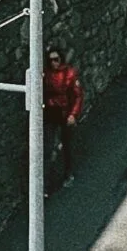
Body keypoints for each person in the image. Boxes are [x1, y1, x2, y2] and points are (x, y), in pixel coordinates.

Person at [43, 45, 83, 189]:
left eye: (57, 59)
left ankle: (67, 173)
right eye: (51, 60)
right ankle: (47, 183)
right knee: (47, 148)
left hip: (64, 113)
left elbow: (77, 96)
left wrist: (73, 114)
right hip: (50, 113)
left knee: (66, 145)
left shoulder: (69, 74)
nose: (55, 63)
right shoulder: (46, 74)